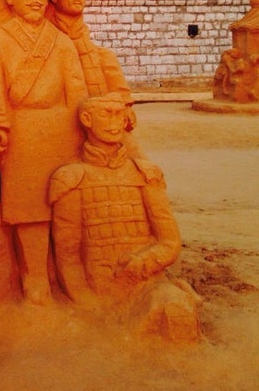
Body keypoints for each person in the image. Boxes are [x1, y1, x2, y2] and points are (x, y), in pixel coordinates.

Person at [48, 93, 200, 340]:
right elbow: (68, 254)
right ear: (86, 119)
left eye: (119, 114)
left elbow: (170, 242)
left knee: (175, 311)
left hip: (147, 284)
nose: (115, 122)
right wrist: (85, 299)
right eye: (106, 114)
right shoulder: (71, 178)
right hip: (99, 288)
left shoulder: (144, 173)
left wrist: (142, 264)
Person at [0, 0, 86, 304]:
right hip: (23, 131)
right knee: (29, 206)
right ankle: (35, 276)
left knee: (65, 204)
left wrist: (83, 125)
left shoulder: (61, 42)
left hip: (62, 129)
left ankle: (68, 271)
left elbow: (76, 88)